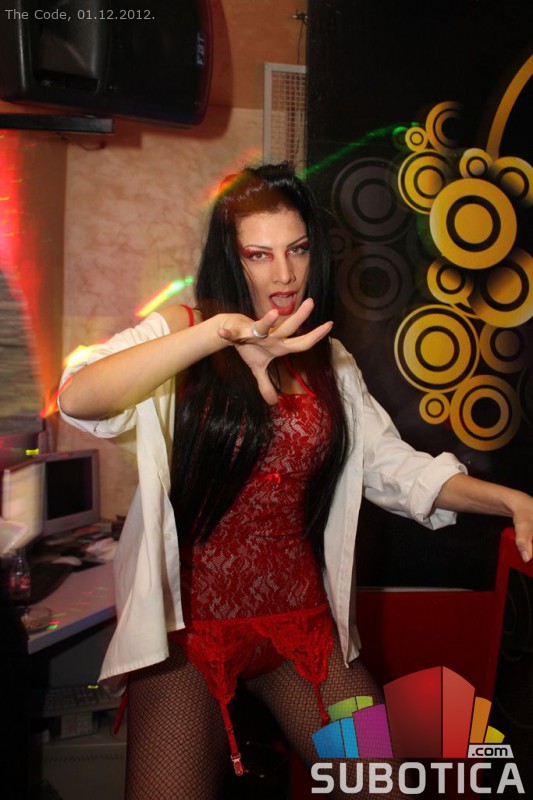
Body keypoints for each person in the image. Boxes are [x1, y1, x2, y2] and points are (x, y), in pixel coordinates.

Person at [58, 163, 533, 800]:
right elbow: (79, 397)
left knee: (385, 786)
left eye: (298, 249)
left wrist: (511, 500)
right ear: (232, 258)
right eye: (259, 254)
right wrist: (216, 332)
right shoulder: (184, 330)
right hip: (184, 631)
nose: (283, 274)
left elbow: (394, 469)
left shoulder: (330, 358)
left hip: (300, 626)